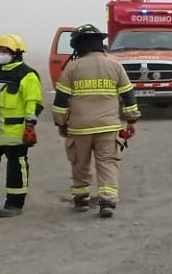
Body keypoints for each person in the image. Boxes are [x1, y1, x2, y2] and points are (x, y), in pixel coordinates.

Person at [51, 24, 140, 217]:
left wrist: (61, 123)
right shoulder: (114, 66)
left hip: (79, 129)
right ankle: (107, 201)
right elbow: (128, 95)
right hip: (108, 128)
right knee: (107, 163)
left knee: (80, 164)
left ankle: (81, 199)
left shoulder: (72, 68)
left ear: (77, 46)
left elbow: (61, 100)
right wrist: (132, 121)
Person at [0, 35, 44, 217]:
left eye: (4, 51)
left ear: (16, 53)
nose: (0, 54)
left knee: (16, 168)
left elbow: (33, 102)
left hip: (15, 133)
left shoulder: (27, 74)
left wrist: (30, 125)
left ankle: (14, 204)